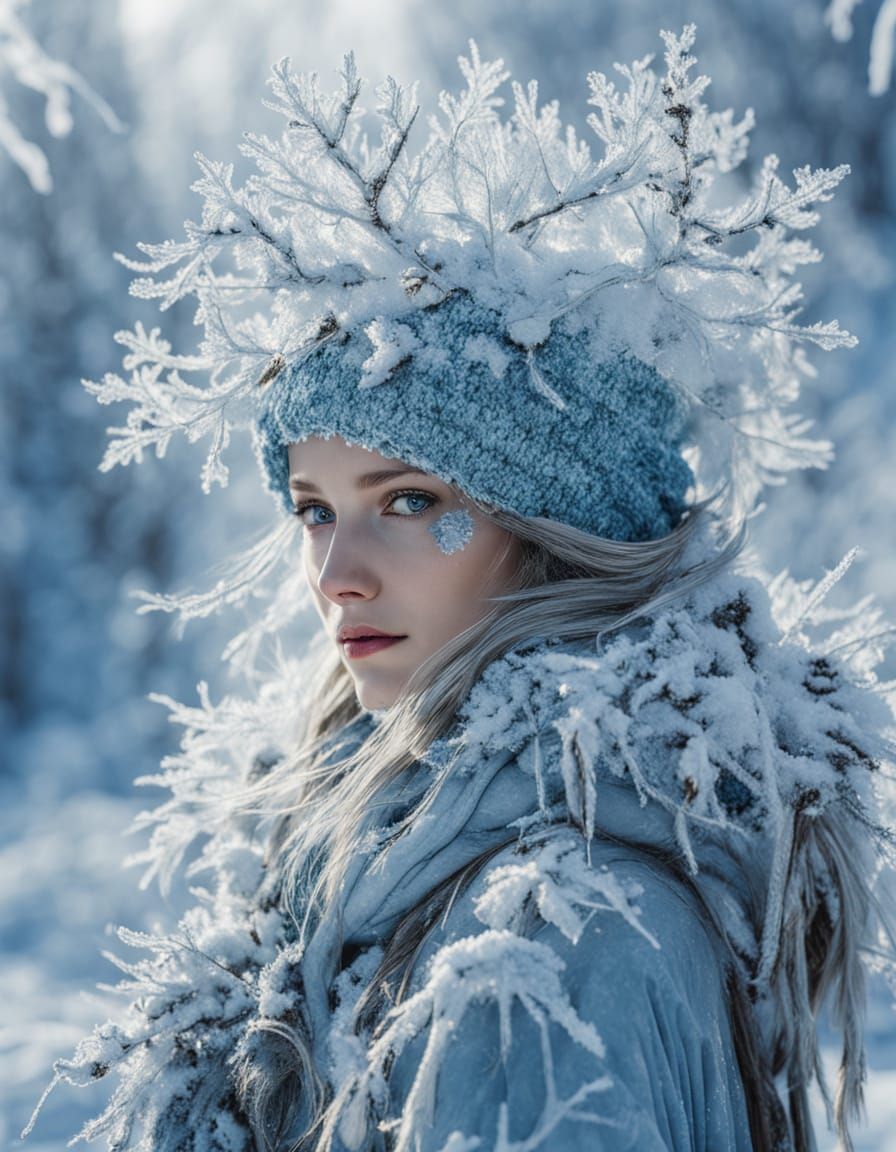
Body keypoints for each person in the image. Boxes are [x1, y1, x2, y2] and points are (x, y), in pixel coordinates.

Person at [26, 26, 895, 1152]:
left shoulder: (556, 944)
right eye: (313, 510)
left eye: (403, 502)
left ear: (548, 533)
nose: (336, 577)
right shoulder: (379, 861)